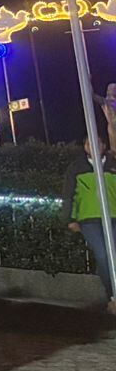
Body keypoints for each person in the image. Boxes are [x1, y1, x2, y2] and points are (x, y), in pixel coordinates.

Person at [62, 134, 116, 312]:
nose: (93, 145)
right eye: (88, 143)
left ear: (103, 145)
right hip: (89, 219)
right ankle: (112, 295)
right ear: (85, 146)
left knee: (113, 256)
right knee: (102, 255)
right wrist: (70, 219)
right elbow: (69, 194)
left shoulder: (112, 163)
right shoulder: (77, 168)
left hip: (113, 217)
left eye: (97, 142)